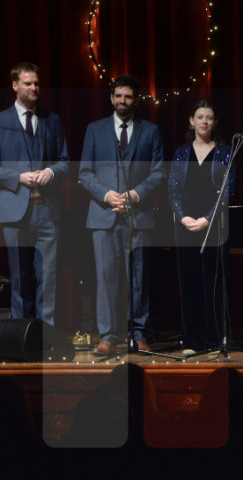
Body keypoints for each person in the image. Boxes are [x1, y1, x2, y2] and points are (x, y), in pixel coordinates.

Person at [79, 75, 165, 356]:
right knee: (106, 278)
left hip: (138, 216)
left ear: (136, 100)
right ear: (111, 98)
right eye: (118, 96)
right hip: (103, 216)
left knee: (139, 279)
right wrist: (107, 195)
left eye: (128, 97)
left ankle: (139, 334)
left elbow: (158, 173)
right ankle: (108, 336)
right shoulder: (95, 129)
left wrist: (134, 195)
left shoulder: (150, 131)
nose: (122, 101)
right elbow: (85, 173)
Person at [0, 62, 70, 325]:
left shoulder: (52, 120)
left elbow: (65, 162)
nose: (34, 88)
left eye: (37, 83)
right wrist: (18, 177)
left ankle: (46, 336)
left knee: (48, 277)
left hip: (48, 211)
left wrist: (51, 172)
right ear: (15, 85)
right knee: (20, 278)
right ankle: (22, 334)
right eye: (28, 83)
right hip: (14, 212)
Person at [167, 100, 236, 354]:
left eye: (209, 117)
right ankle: (192, 342)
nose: (204, 121)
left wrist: (207, 218)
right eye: (200, 117)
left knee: (213, 285)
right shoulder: (181, 152)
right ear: (191, 120)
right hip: (185, 226)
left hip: (214, 226)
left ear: (215, 122)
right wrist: (182, 217)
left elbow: (228, 190)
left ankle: (213, 341)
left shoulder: (225, 152)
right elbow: (173, 189)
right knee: (189, 283)